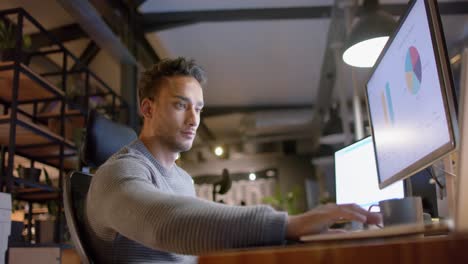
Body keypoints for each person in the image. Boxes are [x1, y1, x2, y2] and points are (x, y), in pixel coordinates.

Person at [85, 57, 381, 263]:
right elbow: (164, 224)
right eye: (180, 105)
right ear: (147, 109)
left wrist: (295, 236)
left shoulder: (182, 179)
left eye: (199, 109)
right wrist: (289, 225)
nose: (194, 120)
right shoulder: (117, 173)